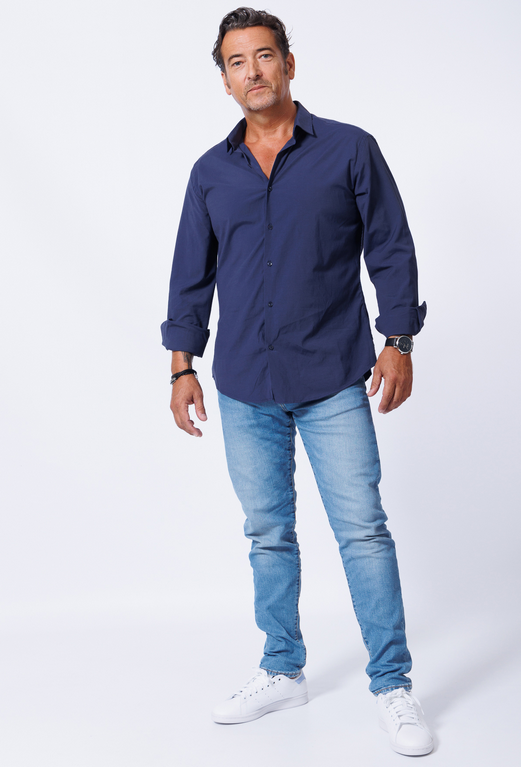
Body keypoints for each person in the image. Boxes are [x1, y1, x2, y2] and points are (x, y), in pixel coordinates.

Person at [161, 7, 433, 757]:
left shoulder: (349, 149)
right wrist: (181, 365)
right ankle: (282, 668)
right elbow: (191, 275)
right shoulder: (210, 173)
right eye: (236, 61)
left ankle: (392, 683)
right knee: (267, 534)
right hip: (244, 384)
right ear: (224, 80)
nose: (252, 71)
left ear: (288, 63)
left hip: (333, 378)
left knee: (363, 531)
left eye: (263, 56)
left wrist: (398, 340)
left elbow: (391, 248)